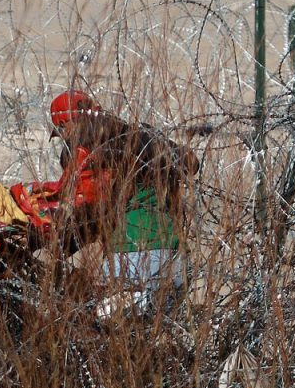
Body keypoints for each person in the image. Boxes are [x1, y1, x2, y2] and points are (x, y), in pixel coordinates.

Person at [29, 90, 200, 315]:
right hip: (176, 255)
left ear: (67, 124)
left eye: (61, 131)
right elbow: (191, 162)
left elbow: (92, 211)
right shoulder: (139, 137)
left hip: (133, 253)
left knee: (105, 329)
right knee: (155, 333)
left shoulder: (84, 151)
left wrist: (54, 240)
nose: (63, 138)